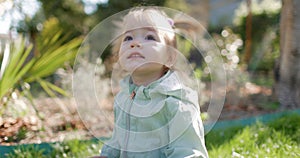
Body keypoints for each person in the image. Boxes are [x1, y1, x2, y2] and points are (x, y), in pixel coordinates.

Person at [97, 7, 208, 158]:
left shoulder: (177, 103)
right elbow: (118, 140)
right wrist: (107, 155)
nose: (135, 43)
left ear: (169, 57)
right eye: (128, 38)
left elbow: (188, 151)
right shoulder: (123, 99)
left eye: (149, 37)